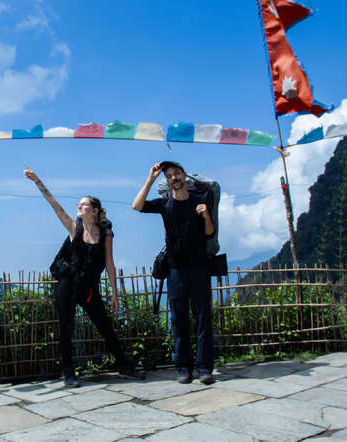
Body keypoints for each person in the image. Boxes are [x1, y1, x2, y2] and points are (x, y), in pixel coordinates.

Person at [24, 163, 145, 387]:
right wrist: (37, 181)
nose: (79, 207)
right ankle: (68, 373)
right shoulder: (73, 228)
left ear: (95, 210)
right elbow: (55, 205)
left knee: (104, 325)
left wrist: (115, 294)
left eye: (84, 204)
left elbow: (109, 263)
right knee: (66, 327)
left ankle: (124, 367)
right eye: (78, 204)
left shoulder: (106, 233)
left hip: (89, 289)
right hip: (68, 285)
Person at [132, 161, 216, 384]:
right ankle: (183, 368)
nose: (174, 178)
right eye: (169, 176)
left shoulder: (201, 201)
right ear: (167, 182)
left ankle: (205, 368)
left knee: (202, 318)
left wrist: (206, 215)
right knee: (178, 319)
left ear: (184, 176)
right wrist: (150, 178)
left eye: (177, 174)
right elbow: (137, 206)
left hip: (199, 266)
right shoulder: (164, 204)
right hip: (175, 269)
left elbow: (209, 233)